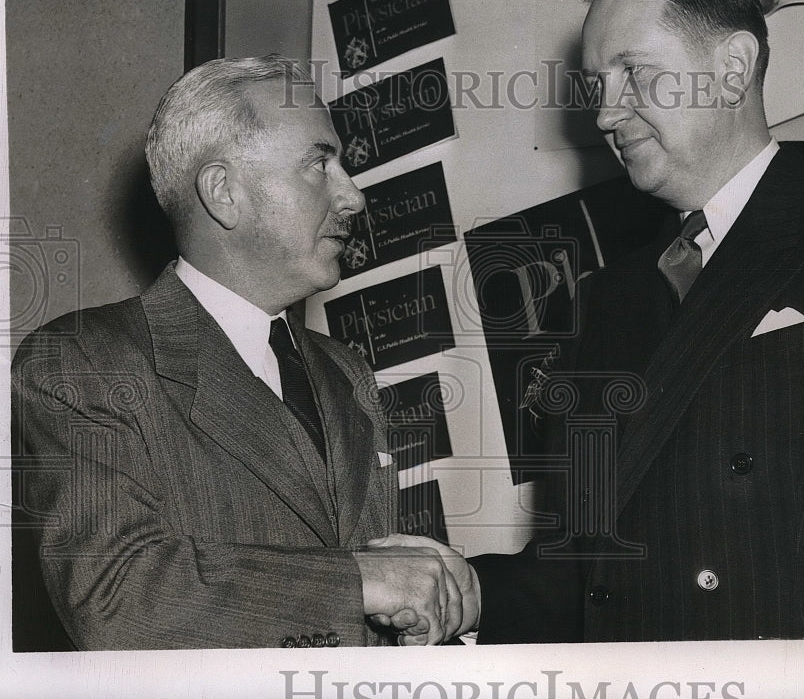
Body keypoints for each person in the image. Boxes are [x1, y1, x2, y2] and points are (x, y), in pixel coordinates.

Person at [388, 0, 804, 643]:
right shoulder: (601, 302)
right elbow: (577, 572)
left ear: (732, 69)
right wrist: (469, 591)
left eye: (633, 73)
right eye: (597, 85)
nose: (607, 114)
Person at [11, 55, 474, 650]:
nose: (353, 197)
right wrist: (358, 580)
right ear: (224, 192)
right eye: (319, 164)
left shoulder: (346, 371)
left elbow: (375, 617)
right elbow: (113, 598)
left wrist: (442, 606)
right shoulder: (79, 364)